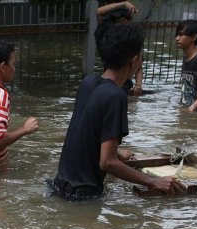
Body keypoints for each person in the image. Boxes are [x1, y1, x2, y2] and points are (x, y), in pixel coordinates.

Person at [50, 23, 185, 200]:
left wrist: (117, 152)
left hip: (60, 185)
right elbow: (107, 162)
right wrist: (152, 181)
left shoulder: (89, 82)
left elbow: (86, 131)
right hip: (83, 194)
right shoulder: (116, 96)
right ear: (134, 60)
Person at [97, 1, 144, 96]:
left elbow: (139, 65)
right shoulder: (111, 39)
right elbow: (97, 11)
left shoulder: (134, 40)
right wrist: (123, 3)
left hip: (123, 84)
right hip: (113, 82)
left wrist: (138, 84)